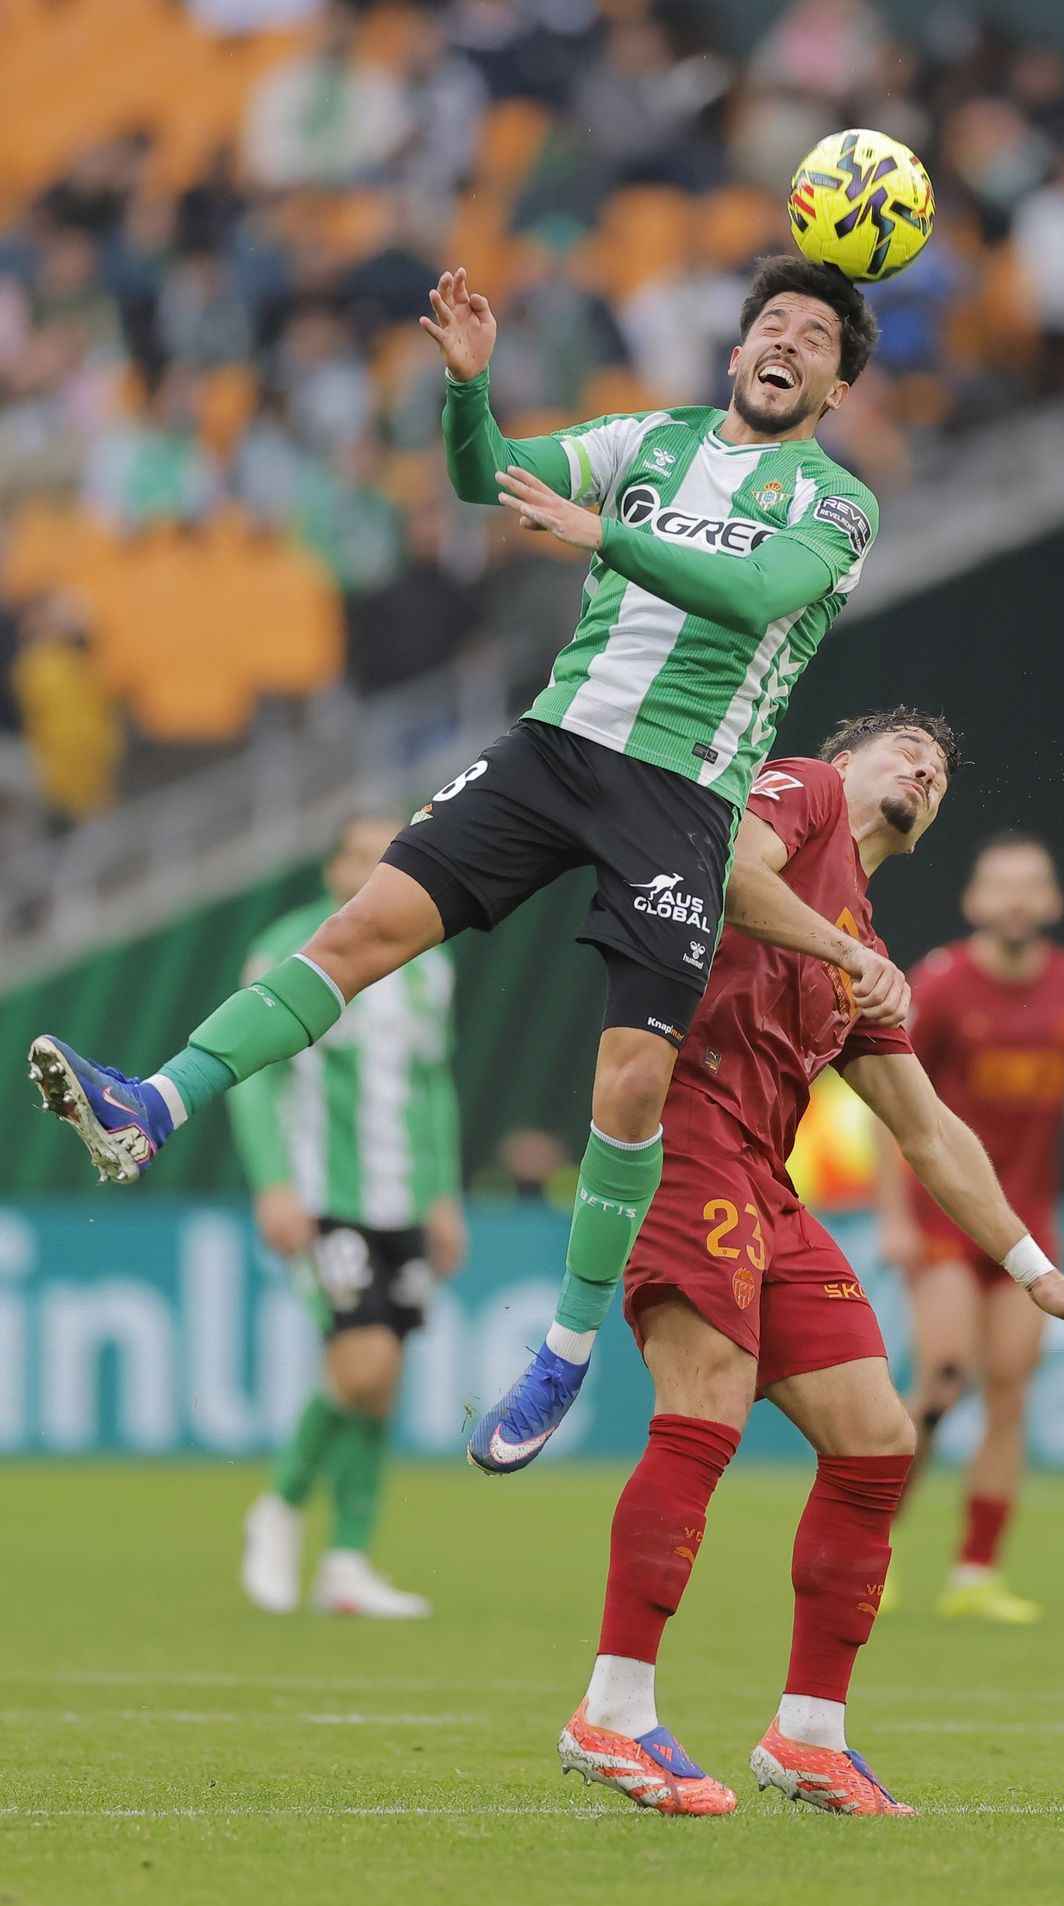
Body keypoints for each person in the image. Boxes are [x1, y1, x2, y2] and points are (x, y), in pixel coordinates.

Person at [30, 252, 901, 1475]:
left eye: (815, 336)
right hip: (556, 744)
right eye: (772, 320)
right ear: (734, 347)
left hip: (685, 793)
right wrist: (467, 394)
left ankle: (562, 1347)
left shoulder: (835, 503)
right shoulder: (652, 439)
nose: (788, 340)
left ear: (836, 388)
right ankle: (150, 1104)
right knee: (352, 932)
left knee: (631, 1089)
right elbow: (484, 478)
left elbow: (753, 592)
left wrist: (603, 534)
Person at [547, 710, 1064, 1817]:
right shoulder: (801, 791)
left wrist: (1033, 1267)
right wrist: (850, 951)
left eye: (942, 770)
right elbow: (722, 872)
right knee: (704, 1407)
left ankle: (808, 1732)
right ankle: (611, 1711)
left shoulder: (863, 948)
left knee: (878, 1436)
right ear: (848, 760)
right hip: (683, 1136)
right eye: (906, 748)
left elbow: (928, 1128)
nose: (924, 768)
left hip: (764, 1178)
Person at [877, 831, 1064, 1624]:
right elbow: (888, 1099)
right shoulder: (940, 986)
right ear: (974, 902)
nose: (1016, 900)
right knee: (944, 1377)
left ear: (1054, 901)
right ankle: (874, 1552)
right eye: (1001, 886)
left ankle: (975, 1574)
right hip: (941, 1217)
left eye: (1031, 885)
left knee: (1008, 1391)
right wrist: (893, 1215)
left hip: (1028, 1226)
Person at [233, 814, 466, 1619]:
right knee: (361, 1367)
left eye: (390, 854)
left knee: (383, 1381)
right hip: (325, 1195)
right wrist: (272, 1184)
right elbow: (255, 1078)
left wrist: (444, 1193)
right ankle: (280, 1507)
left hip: (404, 1198)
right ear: (333, 868)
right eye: (361, 856)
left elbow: (436, 1083)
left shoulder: (428, 960)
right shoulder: (289, 950)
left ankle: (347, 1562)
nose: (376, 869)